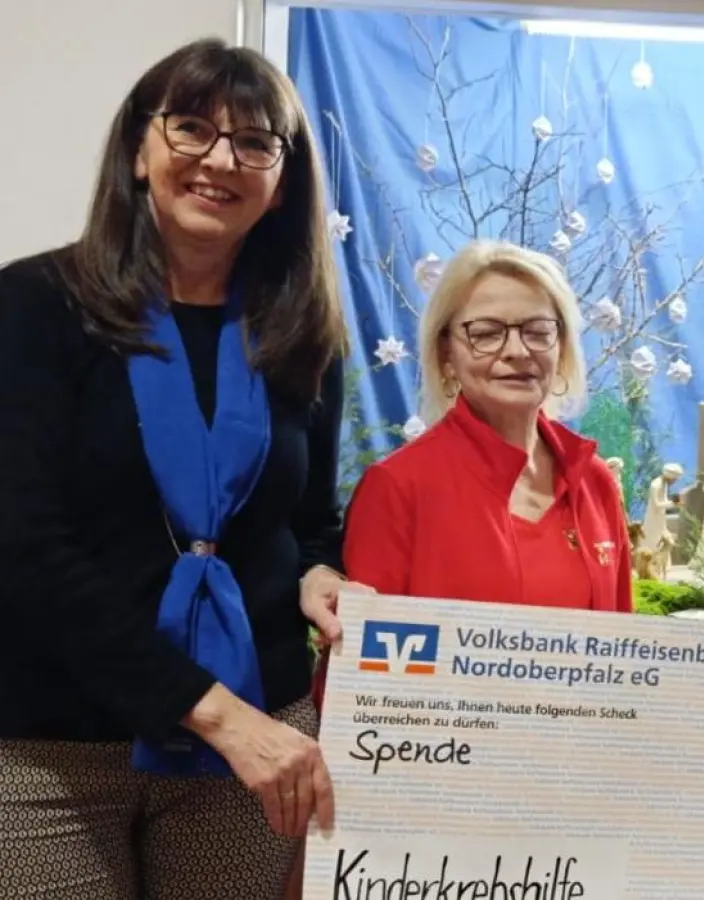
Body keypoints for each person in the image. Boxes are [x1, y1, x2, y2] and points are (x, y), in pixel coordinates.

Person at [0, 39, 357, 899]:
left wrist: (321, 570)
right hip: (54, 748)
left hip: (249, 754)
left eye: (254, 142)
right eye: (191, 128)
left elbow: (305, 520)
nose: (220, 160)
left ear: (283, 177)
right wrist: (216, 714)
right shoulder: (35, 307)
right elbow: (24, 550)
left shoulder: (303, 334)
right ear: (139, 147)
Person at [325, 238, 632, 624]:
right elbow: (366, 668)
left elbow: (622, 657)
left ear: (562, 348)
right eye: (486, 333)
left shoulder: (594, 481)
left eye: (538, 331)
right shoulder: (398, 488)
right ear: (446, 355)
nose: (518, 351)